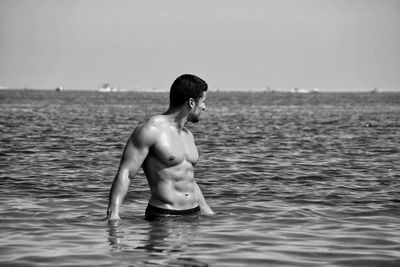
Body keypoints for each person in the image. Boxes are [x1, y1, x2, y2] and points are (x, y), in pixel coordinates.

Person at [106, 74, 214, 221]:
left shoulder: (188, 135)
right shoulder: (151, 130)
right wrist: (113, 215)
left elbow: (187, 177)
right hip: (164, 216)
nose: (204, 107)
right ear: (191, 102)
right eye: (203, 101)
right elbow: (126, 173)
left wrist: (206, 210)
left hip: (193, 216)